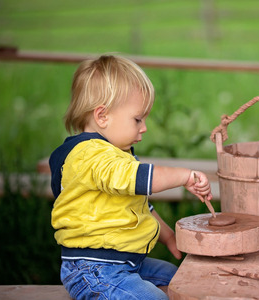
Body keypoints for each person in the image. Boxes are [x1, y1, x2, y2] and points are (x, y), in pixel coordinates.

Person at [49, 55, 213, 300]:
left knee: (179, 279)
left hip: (124, 263)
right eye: (137, 119)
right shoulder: (90, 156)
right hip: (94, 270)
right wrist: (184, 176)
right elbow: (139, 178)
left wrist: (167, 235)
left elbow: (138, 203)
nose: (144, 127)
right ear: (102, 116)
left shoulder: (114, 155)